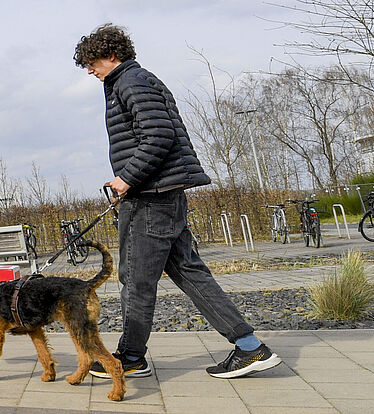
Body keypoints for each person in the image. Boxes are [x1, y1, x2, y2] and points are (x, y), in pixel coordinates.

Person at [73, 23, 282, 379]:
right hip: (163, 195)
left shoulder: (130, 81)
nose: (90, 70)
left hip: (151, 198)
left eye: (92, 62)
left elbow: (159, 134)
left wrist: (126, 178)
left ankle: (131, 358)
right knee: (189, 272)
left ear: (111, 54)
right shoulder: (134, 81)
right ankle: (250, 348)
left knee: (136, 280)